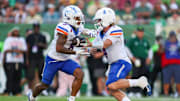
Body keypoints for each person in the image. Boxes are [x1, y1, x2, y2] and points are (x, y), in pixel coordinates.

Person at [86, 7, 152, 101]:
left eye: (99, 20)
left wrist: (91, 44)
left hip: (121, 62)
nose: (97, 23)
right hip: (113, 64)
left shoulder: (116, 29)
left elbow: (105, 44)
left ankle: (139, 82)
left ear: (107, 19)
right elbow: (92, 44)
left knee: (112, 85)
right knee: (112, 89)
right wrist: (79, 44)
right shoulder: (101, 33)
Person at [28, 5, 88, 101]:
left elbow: (83, 31)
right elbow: (59, 48)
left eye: (79, 18)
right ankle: (32, 96)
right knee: (44, 85)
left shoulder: (76, 27)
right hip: (53, 60)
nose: (79, 20)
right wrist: (76, 51)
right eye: (77, 18)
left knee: (80, 74)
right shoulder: (64, 28)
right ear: (68, 18)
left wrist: (92, 33)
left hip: (65, 59)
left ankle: (71, 99)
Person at [2, 27, 27, 96]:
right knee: (10, 77)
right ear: (12, 32)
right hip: (10, 60)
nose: (16, 32)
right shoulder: (8, 39)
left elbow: (24, 50)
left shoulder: (22, 39)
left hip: (19, 60)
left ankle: (17, 91)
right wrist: (14, 50)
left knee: (17, 77)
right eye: (15, 31)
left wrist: (18, 51)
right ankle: (8, 91)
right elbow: (6, 50)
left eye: (17, 31)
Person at [26, 23, 47, 91]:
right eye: (35, 27)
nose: (36, 29)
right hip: (32, 58)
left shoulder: (42, 36)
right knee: (30, 74)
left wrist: (41, 45)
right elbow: (27, 48)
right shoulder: (30, 36)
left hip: (40, 57)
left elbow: (46, 46)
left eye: (37, 27)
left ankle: (41, 89)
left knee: (41, 73)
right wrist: (27, 59)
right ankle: (30, 89)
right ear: (33, 28)